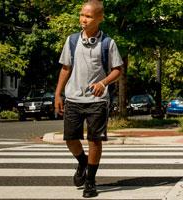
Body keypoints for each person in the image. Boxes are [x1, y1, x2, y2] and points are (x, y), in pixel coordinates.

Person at [55, 0, 123, 198]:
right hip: (73, 98)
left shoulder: (108, 43)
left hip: (98, 101)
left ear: (99, 19)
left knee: (95, 140)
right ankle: (83, 162)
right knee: (70, 138)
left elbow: (117, 70)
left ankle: (91, 181)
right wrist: (58, 93)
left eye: (89, 16)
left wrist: (103, 83)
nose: (83, 20)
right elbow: (65, 68)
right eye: (82, 15)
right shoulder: (72, 40)